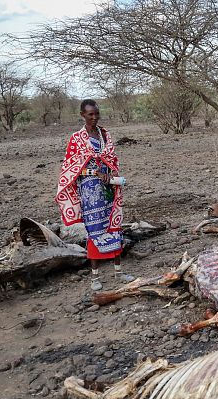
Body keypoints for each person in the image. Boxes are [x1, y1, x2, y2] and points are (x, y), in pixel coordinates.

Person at [55, 99, 135, 291]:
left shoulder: (105, 134)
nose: (94, 117)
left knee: (114, 226)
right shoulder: (77, 139)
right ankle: (95, 277)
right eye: (90, 114)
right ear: (82, 115)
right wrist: (94, 173)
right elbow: (71, 168)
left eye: (96, 113)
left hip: (109, 188)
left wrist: (110, 175)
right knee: (95, 230)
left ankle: (118, 272)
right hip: (90, 191)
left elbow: (112, 160)